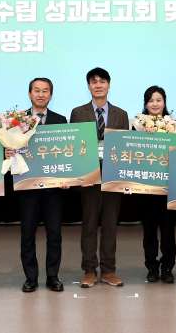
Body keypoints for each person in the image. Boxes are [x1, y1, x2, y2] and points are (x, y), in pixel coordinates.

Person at [70, 67, 129, 288]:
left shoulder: (121, 114)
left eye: (102, 81)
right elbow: (75, 146)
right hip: (89, 177)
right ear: (88, 86)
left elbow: (124, 148)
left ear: (108, 85)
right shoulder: (78, 113)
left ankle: (109, 270)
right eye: (94, 81)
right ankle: (89, 270)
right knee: (89, 225)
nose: (98, 85)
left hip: (113, 177)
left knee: (110, 225)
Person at [10, 78, 67, 293]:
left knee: (55, 234)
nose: (41, 94)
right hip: (27, 186)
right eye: (37, 90)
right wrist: (8, 152)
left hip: (53, 189)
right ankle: (30, 278)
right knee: (27, 234)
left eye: (45, 91)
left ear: (50, 95)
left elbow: (66, 152)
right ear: (29, 94)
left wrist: (68, 178)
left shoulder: (60, 120)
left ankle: (53, 276)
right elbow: (8, 148)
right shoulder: (16, 121)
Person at [136, 85, 176, 284]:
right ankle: (151, 267)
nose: (155, 104)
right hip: (147, 189)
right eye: (151, 100)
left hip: (169, 188)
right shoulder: (137, 126)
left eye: (158, 100)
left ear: (164, 102)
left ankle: (167, 267)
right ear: (146, 104)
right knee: (149, 231)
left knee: (169, 231)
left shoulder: (175, 126)